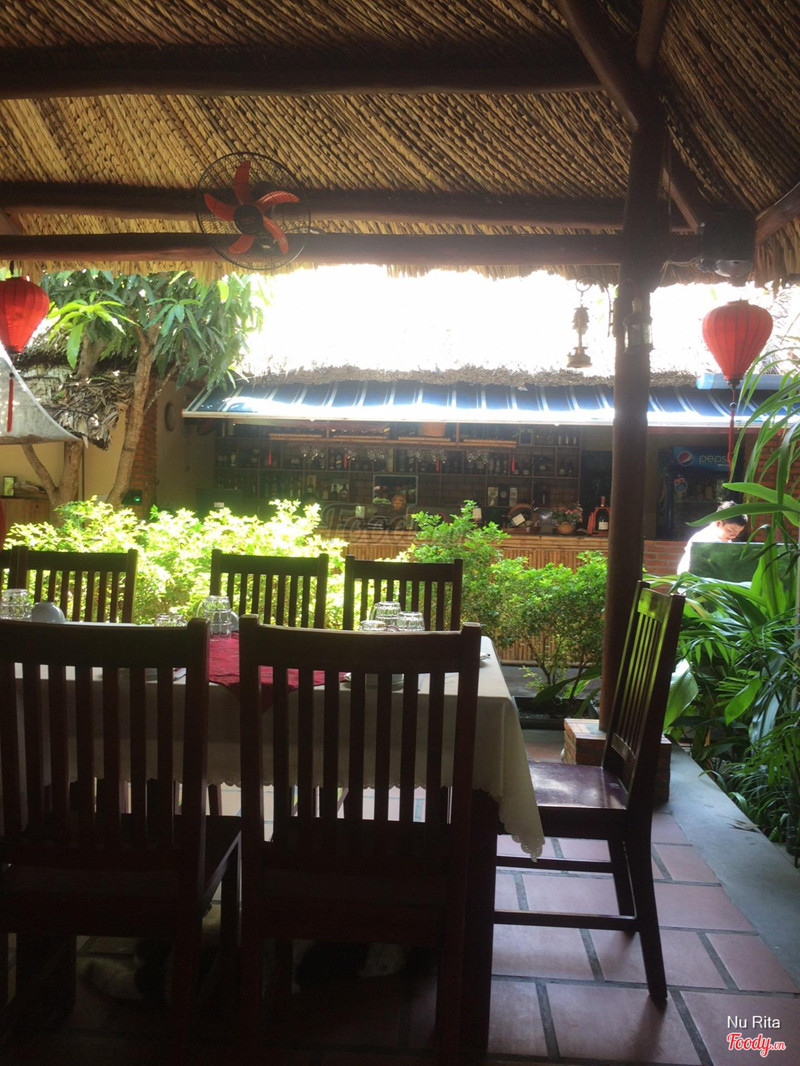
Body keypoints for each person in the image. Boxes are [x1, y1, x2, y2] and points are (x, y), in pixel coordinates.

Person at [677, 501, 747, 573]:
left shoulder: (726, 540)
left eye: (738, 533)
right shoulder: (703, 540)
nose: (734, 536)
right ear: (718, 523)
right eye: (731, 531)